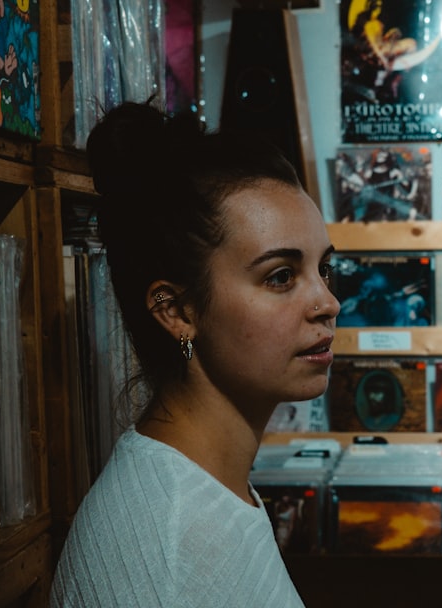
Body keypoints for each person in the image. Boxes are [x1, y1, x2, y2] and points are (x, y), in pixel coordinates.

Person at [50, 98, 339, 607]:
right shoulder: (176, 541)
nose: (327, 302)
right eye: (280, 276)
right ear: (177, 311)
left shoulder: (203, 485)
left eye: (324, 270)